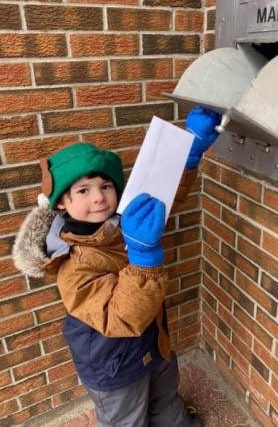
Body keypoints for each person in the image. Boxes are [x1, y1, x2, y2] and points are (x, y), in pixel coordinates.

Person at [13, 106, 221, 427]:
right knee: (126, 419)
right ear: (62, 204)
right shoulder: (73, 265)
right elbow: (122, 316)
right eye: (83, 190)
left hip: (153, 340)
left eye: (105, 186)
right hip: (113, 364)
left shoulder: (119, 221)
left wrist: (189, 154)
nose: (98, 198)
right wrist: (143, 256)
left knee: (165, 396)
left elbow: (162, 199)